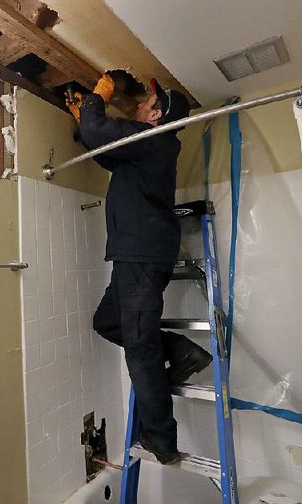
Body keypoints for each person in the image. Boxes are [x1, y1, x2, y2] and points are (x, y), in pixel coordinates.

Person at [66, 74, 213, 465]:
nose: (140, 105)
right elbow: (104, 149)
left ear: (157, 115)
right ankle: (182, 350)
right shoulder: (149, 145)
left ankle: (162, 441)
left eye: (147, 102)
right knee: (108, 322)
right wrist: (84, 123)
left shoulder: (155, 138)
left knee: (141, 349)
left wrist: (99, 95)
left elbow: (99, 130)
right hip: (138, 254)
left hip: (141, 254)